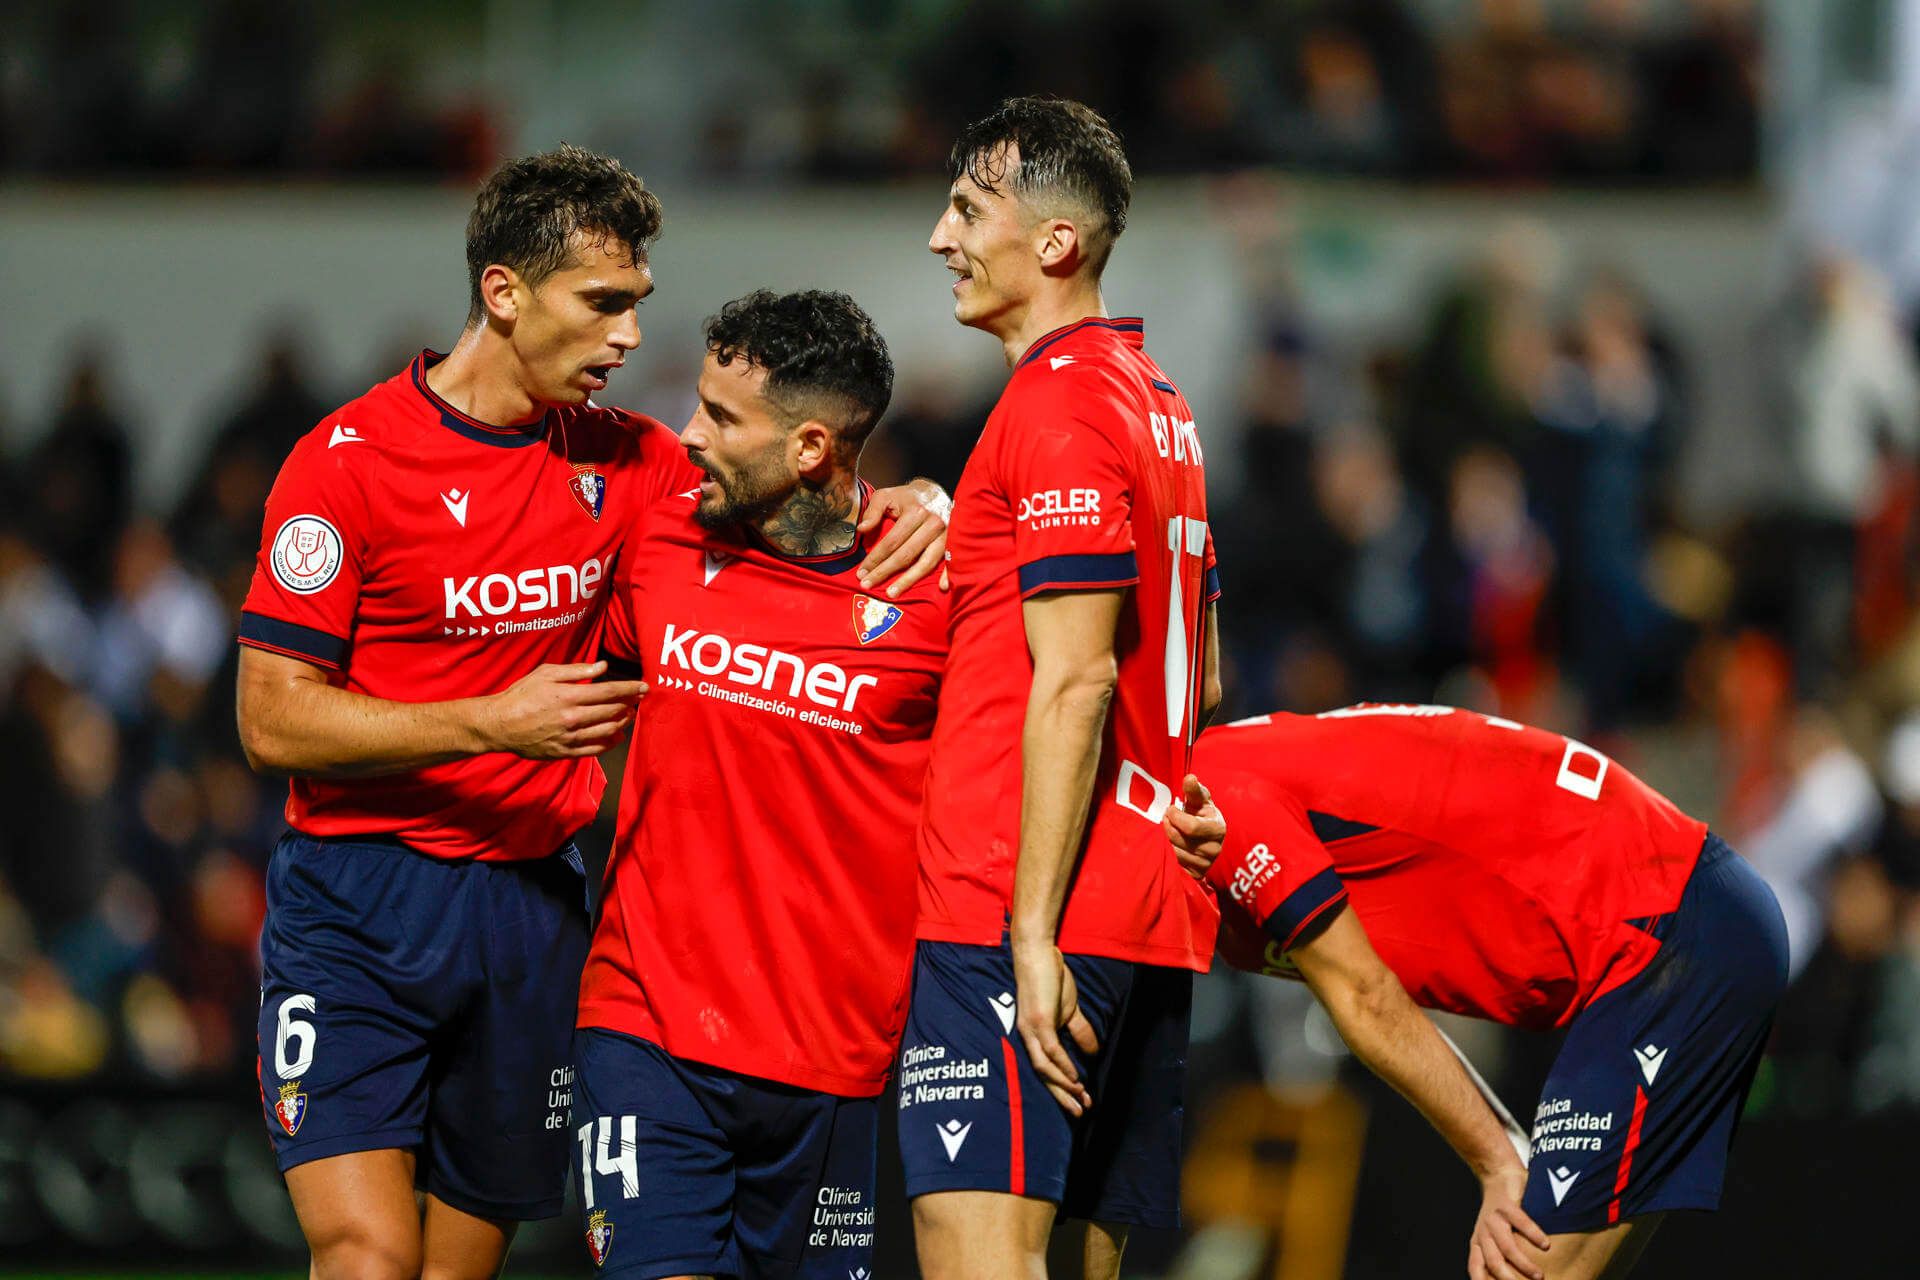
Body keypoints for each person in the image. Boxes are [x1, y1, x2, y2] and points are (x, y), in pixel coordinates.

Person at [235, 149, 945, 1280]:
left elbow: (792, 487)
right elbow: (271, 721)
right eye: (603, 304)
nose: (626, 336)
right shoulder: (344, 467)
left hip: (533, 904)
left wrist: (910, 497)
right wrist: (489, 720)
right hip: (361, 897)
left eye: (637, 305)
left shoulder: (639, 466)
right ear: (507, 293)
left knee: (454, 1265)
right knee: (367, 1251)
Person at [900, 96, 1220, 1280]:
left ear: (1054, 243)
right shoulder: (1158, 404)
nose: (941, 236)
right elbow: (1202, 664)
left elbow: (1079, 677)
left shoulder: (1057, 406)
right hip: (1146, 904)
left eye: (968, 209)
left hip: (1024, 901)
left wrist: (1027, 931)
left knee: (979, 1257)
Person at [1200, 704, 1790, 1280]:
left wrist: (1498, 1165)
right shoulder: (1226, 794)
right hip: (1673, 927)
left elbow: (1367, 996)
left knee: (1521, 1265)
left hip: (1663, 933)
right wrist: (1503, 1150)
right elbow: (1384, 1004)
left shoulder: (1215, 796)